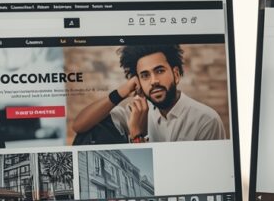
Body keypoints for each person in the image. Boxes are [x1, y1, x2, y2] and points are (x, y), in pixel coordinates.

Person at [72, 44, 226, 143]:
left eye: (159, 71)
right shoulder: (135, 114)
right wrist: (122, 91)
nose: (153, 81)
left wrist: (137, 136)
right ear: (138, 82)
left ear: (176, 74)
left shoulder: (206, 120)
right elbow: (80, 126)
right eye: (145, 75)